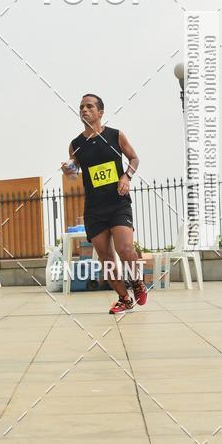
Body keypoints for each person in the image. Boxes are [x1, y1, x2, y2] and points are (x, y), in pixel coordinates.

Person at [61, 94, 147, 314]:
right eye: (81, 107)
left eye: (89, 106)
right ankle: (124, 298)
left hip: (118, 202)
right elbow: (73, 174)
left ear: (100, 112)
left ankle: (137, 281)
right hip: (94, 209)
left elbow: (134, 159)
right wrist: (69, 170)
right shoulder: (76, 145)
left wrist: (126, 176)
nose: (84, 110)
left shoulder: (115, 136)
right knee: (106, 258)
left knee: (125, 248)